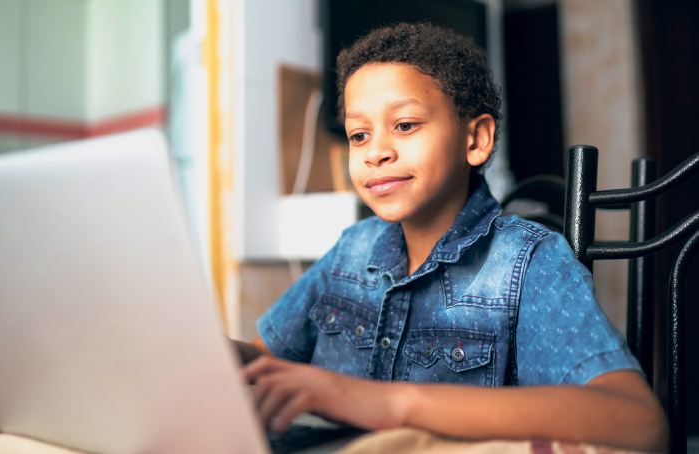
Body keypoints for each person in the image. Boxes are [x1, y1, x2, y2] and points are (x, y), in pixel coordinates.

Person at [240, 23, 668, 452]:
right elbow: (263, 364)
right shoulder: (350, 251)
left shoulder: (528, 261)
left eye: (405, 125)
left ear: (476, 138)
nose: (375, 152)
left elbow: (639, 422)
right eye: (359, 134)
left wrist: (390, 403)